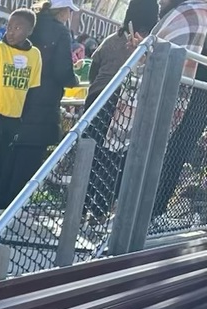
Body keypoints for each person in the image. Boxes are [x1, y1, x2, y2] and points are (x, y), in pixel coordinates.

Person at [82, 0, 159, 222]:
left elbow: (94, 65)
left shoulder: (113, 39)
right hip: (125, 106)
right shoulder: (148, 44)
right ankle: (99, 212)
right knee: (111, 159)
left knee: (89, 154)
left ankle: (79, 207)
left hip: (97, 98)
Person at [3, 0, 77, 205]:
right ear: (62, 11)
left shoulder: (29, 25)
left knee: (9, 154)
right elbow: (62, 71)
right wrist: (74, 80)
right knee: (30, 157)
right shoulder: (61, 32)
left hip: (15, 97)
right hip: (44, 102)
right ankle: (16, 205)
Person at [0, 8, 42, 227]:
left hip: (16, 118)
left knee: (5, 165)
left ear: (30, 30)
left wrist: (26, 119)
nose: (11, 31)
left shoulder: (35, 55)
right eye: (9, 26)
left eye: (18, 27)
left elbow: (33, 89)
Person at [150, 0, 207, 221]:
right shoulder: (193, 12)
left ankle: (153, 210)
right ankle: (155, 211)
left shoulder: (192, 12)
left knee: (166, 151)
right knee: (172, 152)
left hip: (188, 95)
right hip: (193, 96)